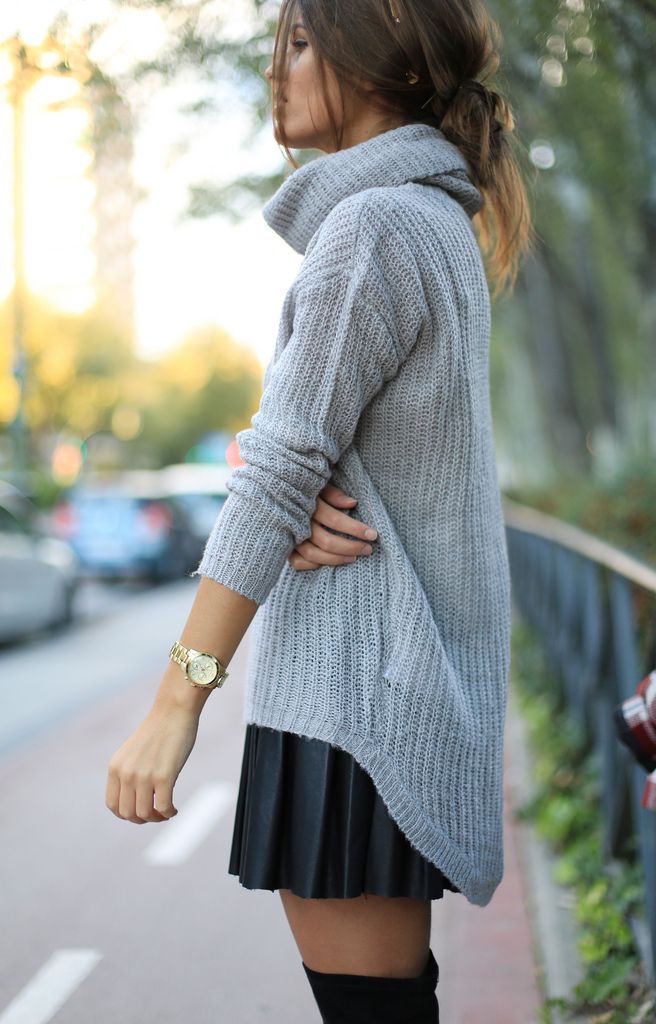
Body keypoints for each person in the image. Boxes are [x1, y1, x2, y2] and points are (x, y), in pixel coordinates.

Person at [105, 0, 533, 1019]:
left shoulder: (373, 226)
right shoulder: (426, 220)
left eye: (300, 43)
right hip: (371, 690)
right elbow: (309, 453)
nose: (275, 68)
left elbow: (285, 465)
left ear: (374, 62)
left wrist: (177, 704)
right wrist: (277, 471)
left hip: (352, 701)